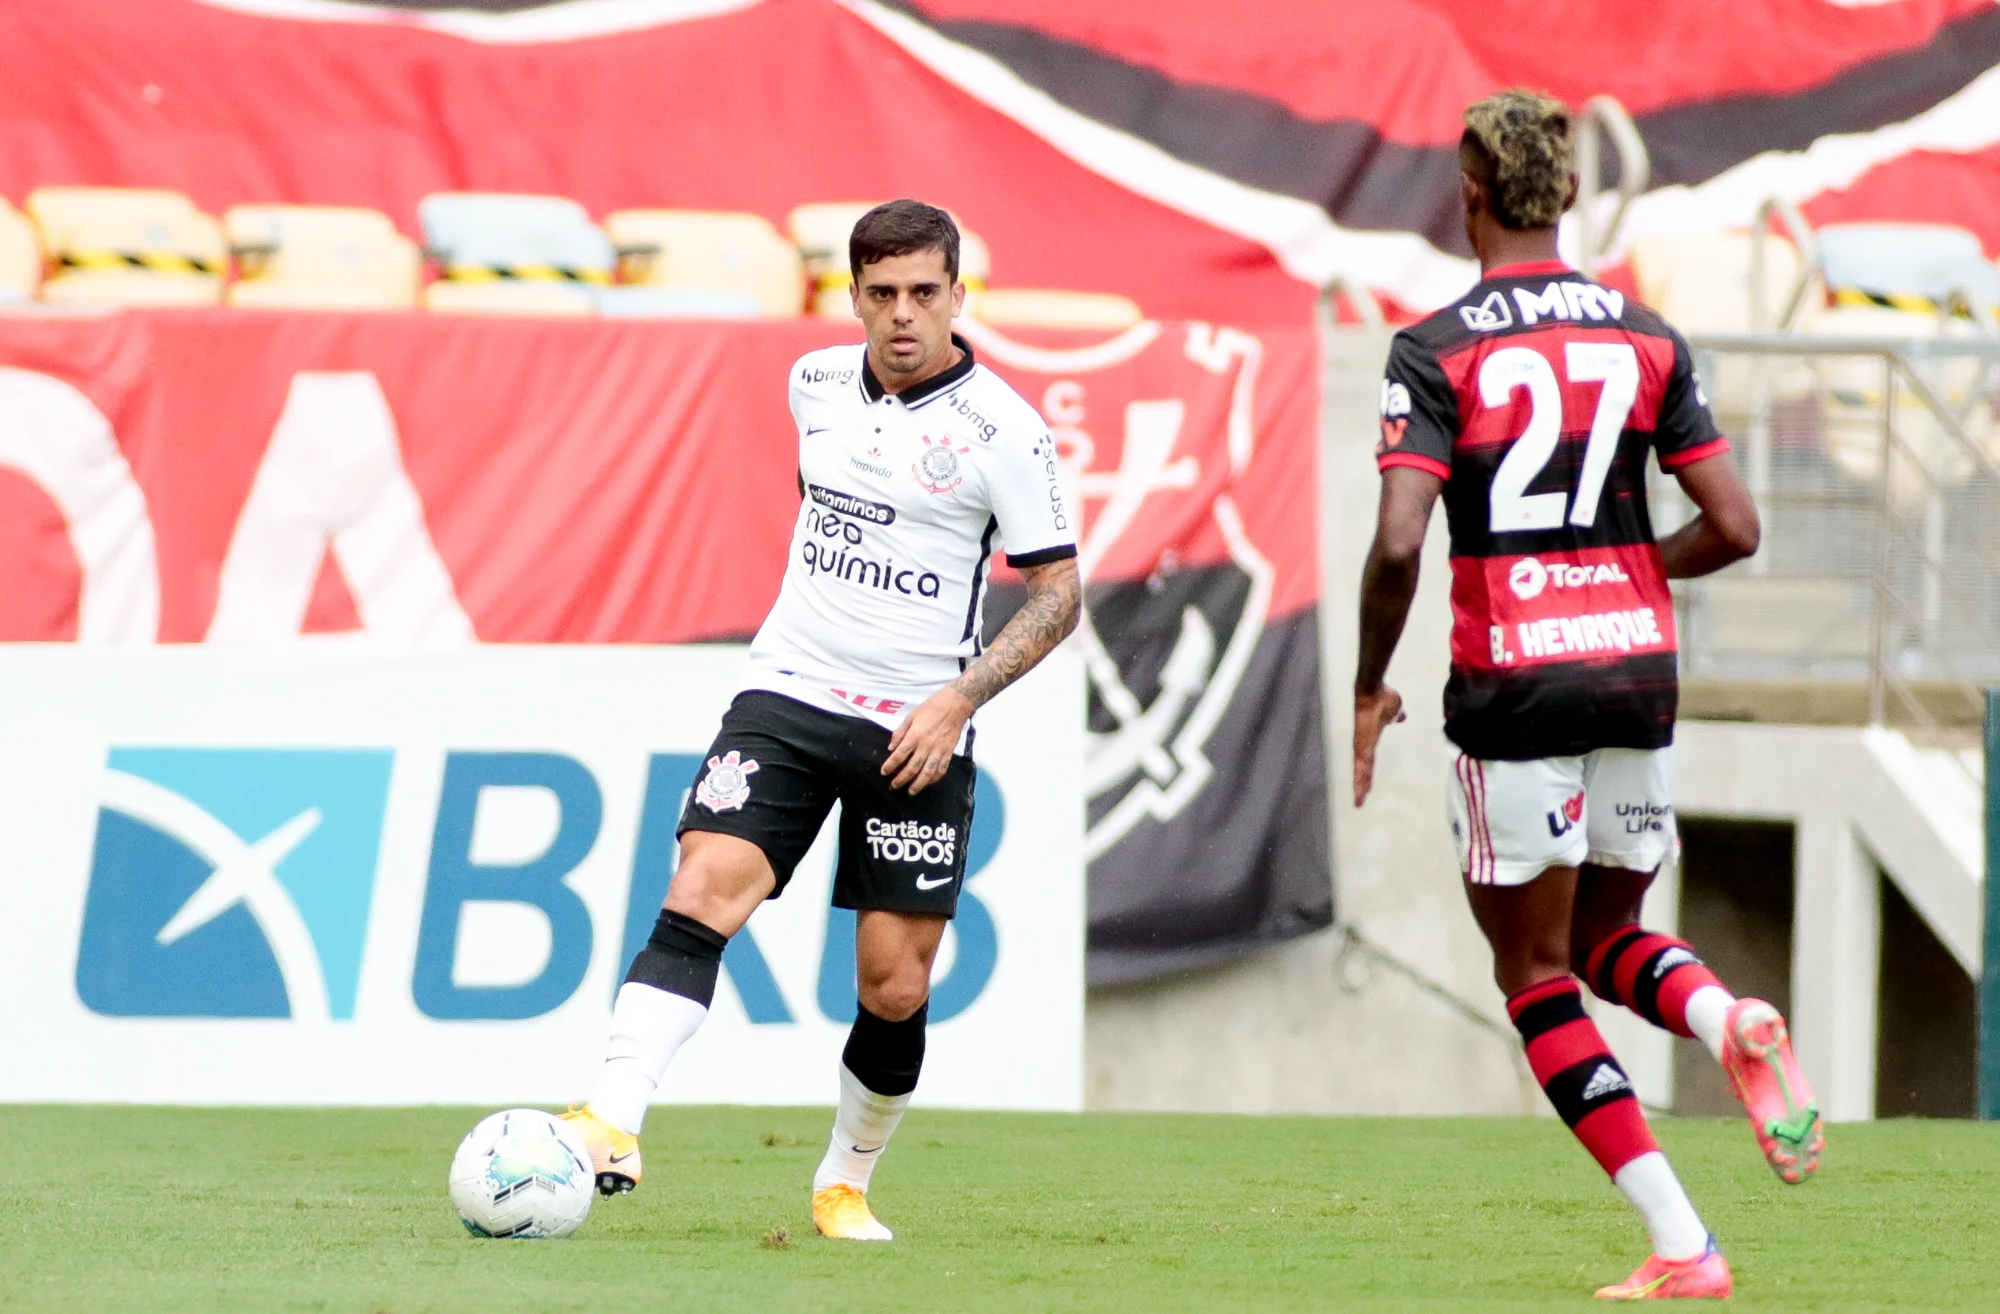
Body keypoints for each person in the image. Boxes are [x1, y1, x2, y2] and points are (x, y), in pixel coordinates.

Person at [1353, 90, 1824, 1301]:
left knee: (1534, 976)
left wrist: (1365, 686)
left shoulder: (1435, 348)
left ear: (1466, 193)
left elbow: (1400, 542)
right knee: (1609, 941)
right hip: (1633, 677)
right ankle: (1724, 1022)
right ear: (1565, 195)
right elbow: (1735, 525)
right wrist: (1619, 571)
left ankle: (1681, 1244)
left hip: (1513, 690)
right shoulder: (1647, 335)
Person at [562, 199, 1081, 1242]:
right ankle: (610, 1118)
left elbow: (1058, 594)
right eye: (880, 294)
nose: (901, 316)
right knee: (702, 883)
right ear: (850, 296)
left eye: (923, 294)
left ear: (956, 296)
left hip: (918, 727)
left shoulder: (1006, 434)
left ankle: (844, 1179)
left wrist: (958, 696)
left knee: (892, 985)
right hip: (789, 691)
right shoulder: (810, 385)